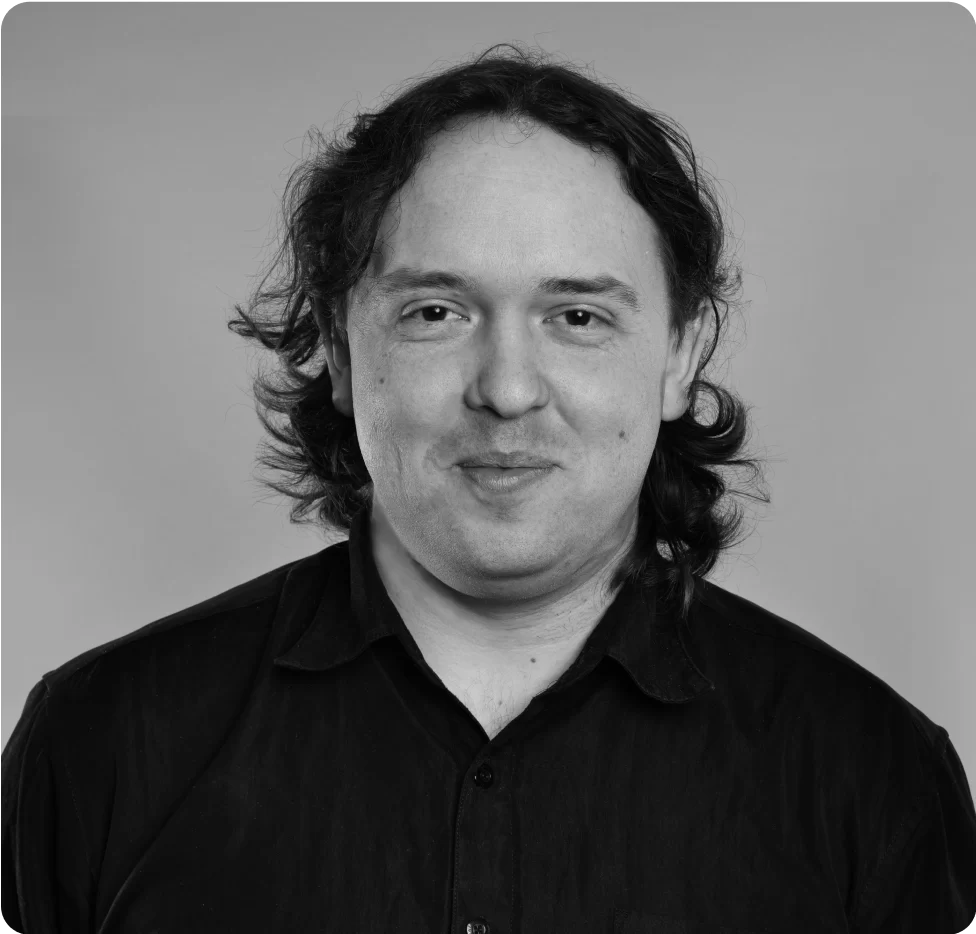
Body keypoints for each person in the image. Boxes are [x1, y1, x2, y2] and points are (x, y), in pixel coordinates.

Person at [2, 42, 974, 934]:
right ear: (340, 349)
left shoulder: (870, 773)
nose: (506, 389)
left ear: (679, 355)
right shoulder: (102, 742)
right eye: (436, 309)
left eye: (578, 316)